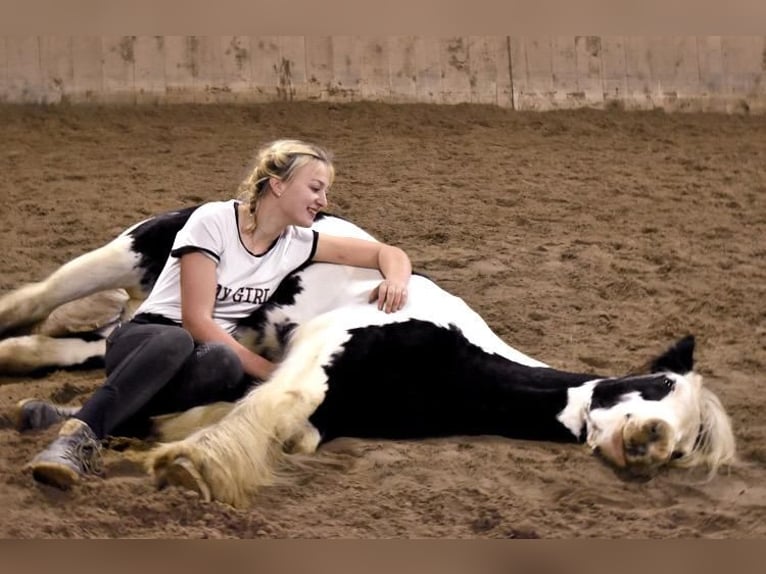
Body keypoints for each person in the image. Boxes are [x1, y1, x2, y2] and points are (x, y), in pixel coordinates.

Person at [18, 139, 412, 489]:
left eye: (325, 191)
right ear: (278, 184)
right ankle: (70, 443)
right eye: (315, 188)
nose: (323, 201)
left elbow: (385, 253)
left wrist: (396, 280)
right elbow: (196, 320)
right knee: (181, 340)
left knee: (223, 363)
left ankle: (76, 413)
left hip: (196, 354)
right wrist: (273, 373)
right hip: (146, 341)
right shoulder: (214, 221)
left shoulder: (297, 242)